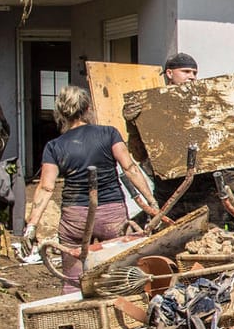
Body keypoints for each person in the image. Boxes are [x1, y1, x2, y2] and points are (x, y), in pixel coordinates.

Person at [23, 85, 159, 293]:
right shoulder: (109, 134)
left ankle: (77, 318)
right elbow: (129, 168)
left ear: (61, 112)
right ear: (88, 108)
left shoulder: (55, 146)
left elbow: (46, 187)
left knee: (73, 279)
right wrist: (152, 202)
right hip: (111, 215)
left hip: (75, 218)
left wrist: (32, 226)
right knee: (119, 272)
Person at [123, 52, 234, 225]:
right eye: (186, 71)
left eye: (194, 73)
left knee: (212, 233)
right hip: (170, 187)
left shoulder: (206, 102)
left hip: (206, 185)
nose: (192, 77)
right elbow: (140, 154)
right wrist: (133, 125)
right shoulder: (151, 107)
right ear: (170, 74)